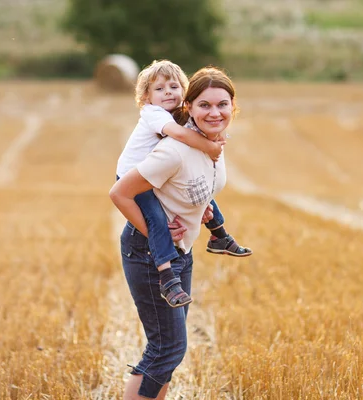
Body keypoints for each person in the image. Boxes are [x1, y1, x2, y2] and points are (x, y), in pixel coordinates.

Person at [109, 66, 241, 399]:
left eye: (222, 105)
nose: (215, 112)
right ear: (191, 108)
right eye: (205, 105)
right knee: (167, 347)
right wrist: (161, 237)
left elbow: (195, 186)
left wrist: (200, 212)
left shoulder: (212, 144)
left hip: (182, 250)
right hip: (149, 250)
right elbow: (120, 193)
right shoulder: (174, 146)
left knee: (168, 350)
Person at [116, 60, 250, 309]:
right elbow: (178, 135)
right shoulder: (153, 114)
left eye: (174, 86)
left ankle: (218, 234)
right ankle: (166, 275)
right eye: (159, 88)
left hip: (150, 176)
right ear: (146, 97)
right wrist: (209, 146)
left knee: (204, 192)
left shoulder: (180, 116)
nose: (168, 92)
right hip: (130, 175)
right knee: (156, 221)